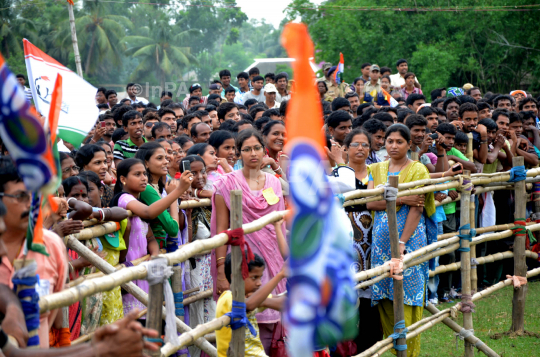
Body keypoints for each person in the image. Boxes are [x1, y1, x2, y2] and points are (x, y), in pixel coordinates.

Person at [212, 129, 287, 354]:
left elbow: (279, 226)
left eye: (256, 148)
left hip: (272, 259)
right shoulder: (225, 183)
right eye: (246, 149)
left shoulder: (274, 183)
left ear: (264, 151)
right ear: (238, 153)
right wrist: (221, 271)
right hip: (241, 261)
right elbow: (221, 231)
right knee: (244, 318)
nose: (252, 153)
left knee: (274, 320)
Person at [367, 124, 436, 357]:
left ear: (409, 144)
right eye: (389, 141)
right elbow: (370, 203)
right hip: (380, 242)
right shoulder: (375, 169)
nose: (393, 146)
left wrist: (403, 241)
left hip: (410, 240)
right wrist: (403, 199)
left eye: (399, 141)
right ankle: (395, 350)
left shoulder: (418, 170)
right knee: (385, 292)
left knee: (408, 293)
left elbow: (418, 208)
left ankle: (409, 352)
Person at [111, 158, 192, 317]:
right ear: (123, 179)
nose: (143, 178)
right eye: (137, 174)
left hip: (145, 272)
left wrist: (154, 255)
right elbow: (149, 212)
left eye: (144, 174)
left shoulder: (137, 201)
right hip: (131, 273)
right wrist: (178, 191)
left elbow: (150, 238)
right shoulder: (124, 199)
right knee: (137, 322)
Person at [0, 158, 67, 348]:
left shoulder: (52, 245)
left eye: (34, 196)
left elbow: (50, 312)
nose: (31, 204)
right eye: (21, 196)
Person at [342, 129, 382, 353]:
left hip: (372, 234)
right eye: (355, 144)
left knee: (369, 291)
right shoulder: (336, 172)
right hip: (346, 234)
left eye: (365, 145)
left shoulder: (376, 172)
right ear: (345, 148)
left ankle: (369, 343)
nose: (361, 149)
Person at [177, 155, 217, 357]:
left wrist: (198, 191)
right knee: (196, 308)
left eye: (203, 171)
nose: (200, 176)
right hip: (194, 264)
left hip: (211, 264)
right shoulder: (180, 197)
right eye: (193, 172)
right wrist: (191, 193)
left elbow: (218, 194)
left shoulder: (204, 195)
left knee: (211, 305)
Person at [215, 253, 286, 357]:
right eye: (254, 278)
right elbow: (248, 305)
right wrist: (280, 275)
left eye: (260, 278)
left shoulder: (250, 298)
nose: (259, 283)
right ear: (235, 277)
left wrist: (262, 300)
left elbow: (284, 303)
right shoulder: (227, 297)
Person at [135, 142, 180, 250]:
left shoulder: (158, 186)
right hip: (154, 251)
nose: (166, 161)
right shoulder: (147, 189)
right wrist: (174, 196)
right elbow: (173, 229)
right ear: (146, 163)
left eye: (165, 157)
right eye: (160, 158)